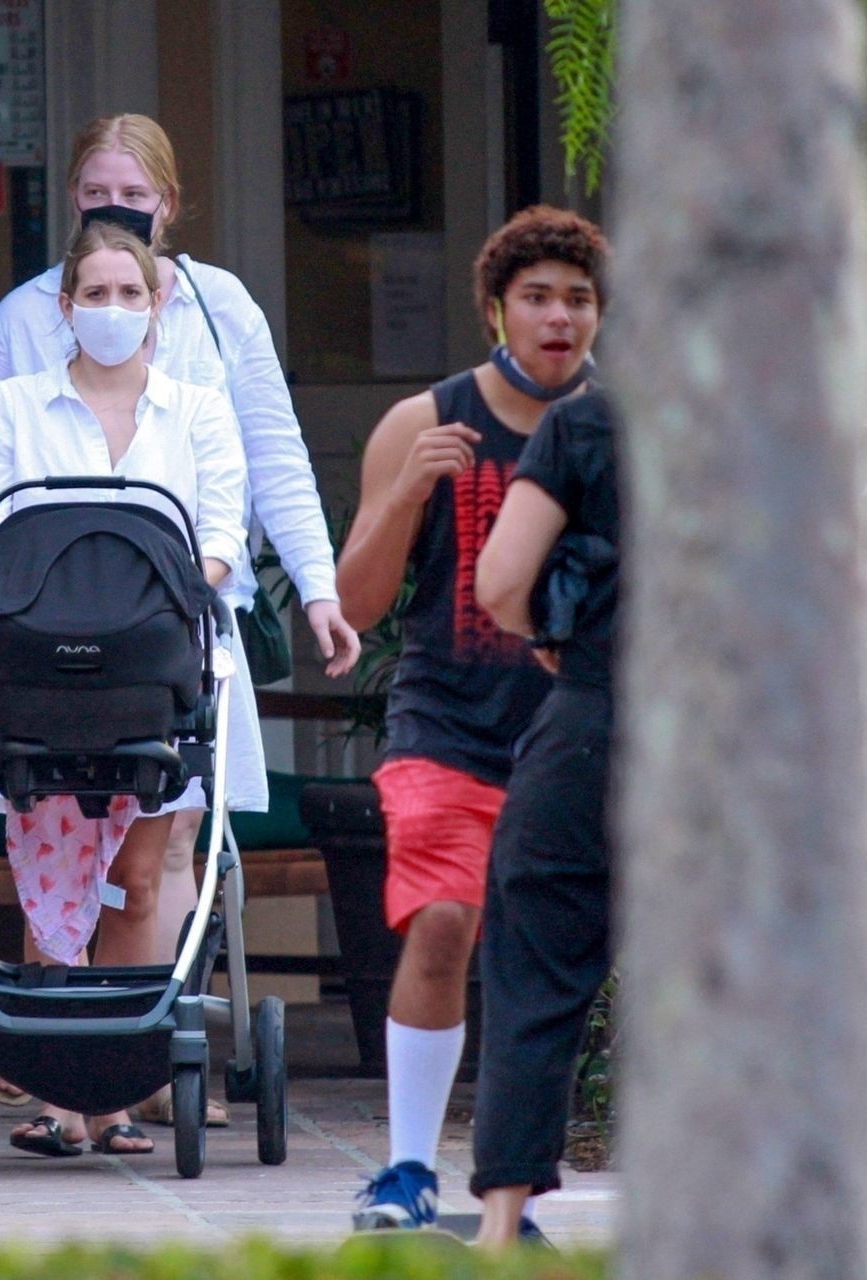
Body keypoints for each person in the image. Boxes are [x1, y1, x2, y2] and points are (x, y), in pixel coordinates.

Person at [0, 114, 360, 1128]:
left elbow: (271, 457)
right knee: (52, 829)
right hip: (42, 637)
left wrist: (317, 585)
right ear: (71, 203)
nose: (116, 211)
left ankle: (140, 1066)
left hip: (174, 635)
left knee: (163, 853)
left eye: (134, 196)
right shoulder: (27, 319)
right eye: (97, 195)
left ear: (169, 205)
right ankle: (60, 1071)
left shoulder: (219, 309)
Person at [0, 220, 247, 1158]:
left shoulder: (196, 409)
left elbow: (222, 532)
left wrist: (156, 600)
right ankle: (56, 1097)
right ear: (66, 306)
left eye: (129, 293)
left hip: (156, 677)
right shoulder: (17, 406)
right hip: (39, 678)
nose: (112, 309)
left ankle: (114, 1092)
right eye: (95, 293)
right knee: (54, 880)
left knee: (137, 879)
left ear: (156, 305)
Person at [336, 206, 608, 1230]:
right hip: (447, 724)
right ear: (496, 307)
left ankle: (510, 1194)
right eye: (537, 297)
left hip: (578, 734)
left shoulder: (619, 430)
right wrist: (405, 494)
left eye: (578, 299)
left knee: (543, 964)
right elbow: (356, 604)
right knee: (445, 920)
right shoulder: (427, 421)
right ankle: (408, 1170)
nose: (558, 317)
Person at [470, 387, 620, 1248]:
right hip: (750, 740)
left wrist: (558, 636)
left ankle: (503, 1229)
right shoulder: (814, 414)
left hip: (595, 723)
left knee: (534, 979)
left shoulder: (590, 423)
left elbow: (499, 582)